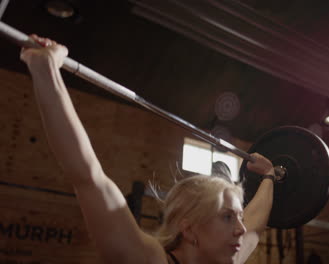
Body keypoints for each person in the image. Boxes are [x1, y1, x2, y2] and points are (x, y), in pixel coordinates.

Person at [20, 35, 276, 264]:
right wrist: (46, 69)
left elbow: (256, 223)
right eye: (228, 217)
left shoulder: (224, 256)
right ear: (189, 230)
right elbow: (88, 177)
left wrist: (269, 176)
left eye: (238, 217)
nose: (241, 228)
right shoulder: (147, 260)